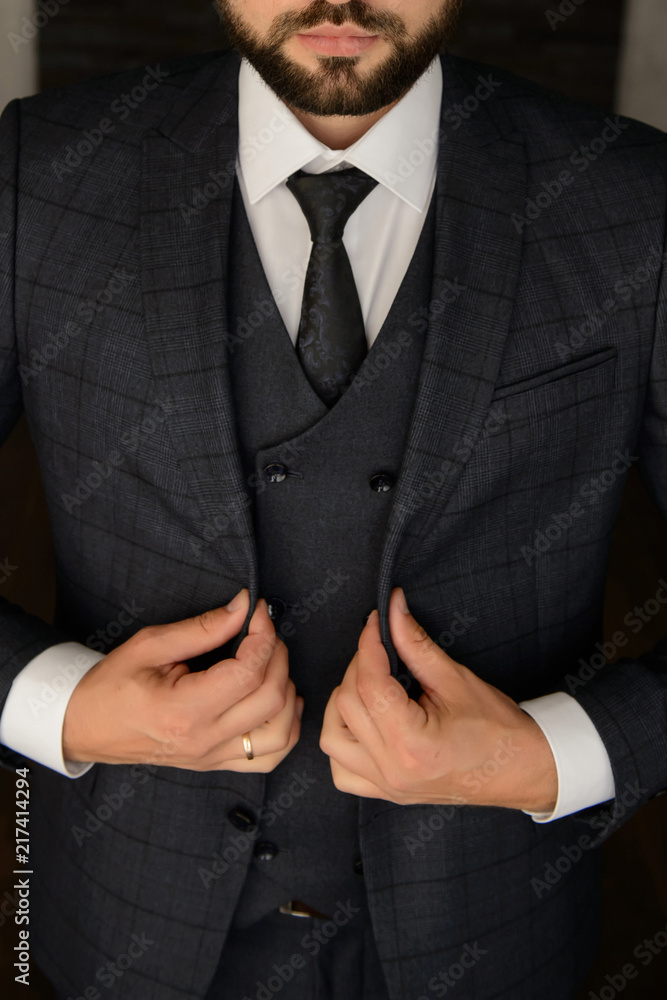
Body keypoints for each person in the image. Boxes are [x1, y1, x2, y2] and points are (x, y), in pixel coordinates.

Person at [0, 0, 665, 997]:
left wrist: (549, 759)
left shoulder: (635, 197)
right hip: (125, 923)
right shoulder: (37, 171)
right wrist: (62, 708)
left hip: (492, 939)